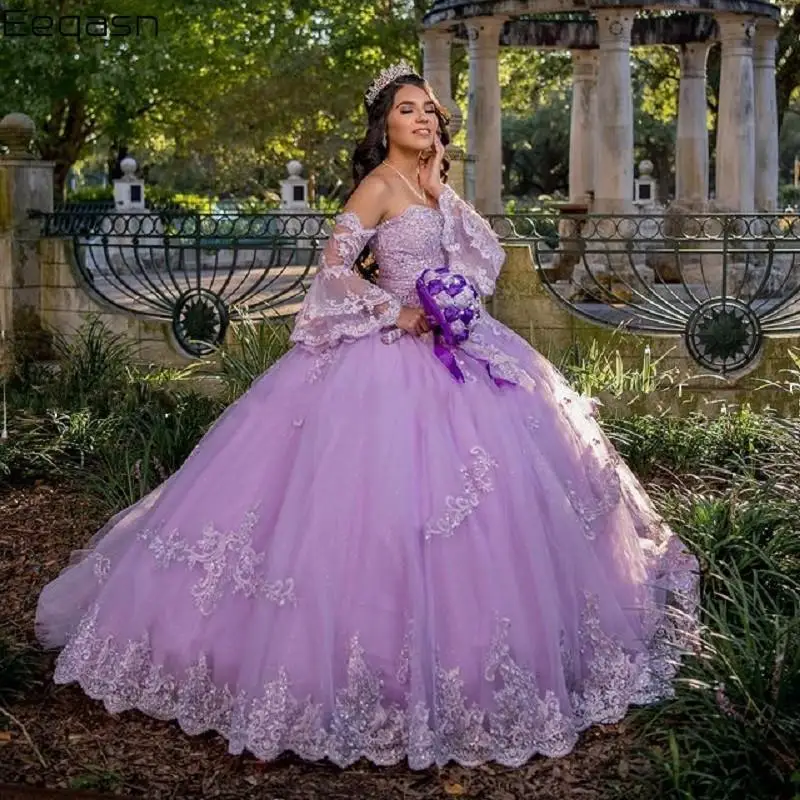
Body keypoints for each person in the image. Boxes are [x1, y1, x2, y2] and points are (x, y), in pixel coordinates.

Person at [35, 62, 699, 770]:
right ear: (384, 123)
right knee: (367, 513)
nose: (423, 119)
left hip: (464, 348)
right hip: (387, 358)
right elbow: (331, 271)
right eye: (409, 110)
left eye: (430, 111)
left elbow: (484, 262)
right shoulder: (379, 185)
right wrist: (398, 308)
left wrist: (444, 198)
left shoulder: (432, 186)